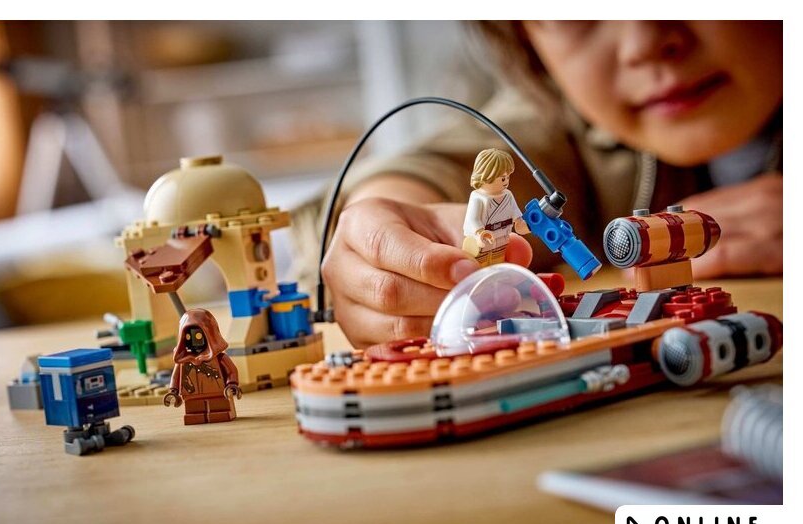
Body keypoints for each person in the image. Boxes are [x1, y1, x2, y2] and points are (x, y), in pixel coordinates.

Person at [320, 21, 782, 348]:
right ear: (525, 39)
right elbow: (434, 166)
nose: (643, 43)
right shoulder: (560, 121)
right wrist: (386, 230)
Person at [462, 148, 530, 267]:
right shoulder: (478, 197)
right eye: (503, 178)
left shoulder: (508, 195)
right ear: (487, 176)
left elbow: (517, 217)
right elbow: (472, 219)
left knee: (497, 265)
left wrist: (526, 225)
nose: (506, 181)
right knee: (479, 266)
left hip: (502, 239)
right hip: (482, 241)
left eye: (508, 177)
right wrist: (480, 232)